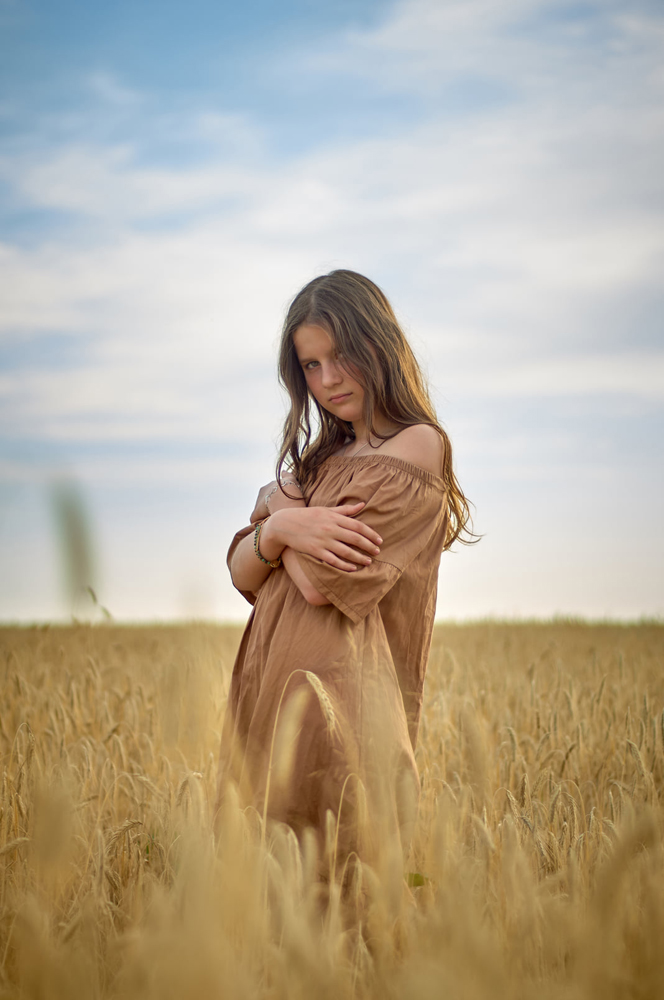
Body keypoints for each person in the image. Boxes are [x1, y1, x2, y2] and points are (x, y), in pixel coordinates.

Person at [215, 269, 473, 873]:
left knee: (337, 899)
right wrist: (281, 530)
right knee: (260, 902)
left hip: (342, 713)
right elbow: (239, 570)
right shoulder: (323, 458)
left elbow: (316, 581)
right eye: (310, 366)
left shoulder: (415, 448)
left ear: (378, 346)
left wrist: (278, 515)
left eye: (341, 356)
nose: (327, 380)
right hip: (266, 695)